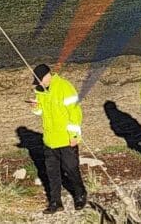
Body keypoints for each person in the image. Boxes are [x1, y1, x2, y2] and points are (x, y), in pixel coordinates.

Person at [28, 63, 87, 214]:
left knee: (71, 168)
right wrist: (35, 106)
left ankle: (80, 194)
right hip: (49, 139)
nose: (38, 84)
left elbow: (75, 113)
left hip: (66, 138)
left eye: (39, 80)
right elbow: (40, 112)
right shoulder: (40, 91)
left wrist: (74, 135)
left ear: (47, 76)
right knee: (52, 172)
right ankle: (55, 202)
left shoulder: (64, 87)